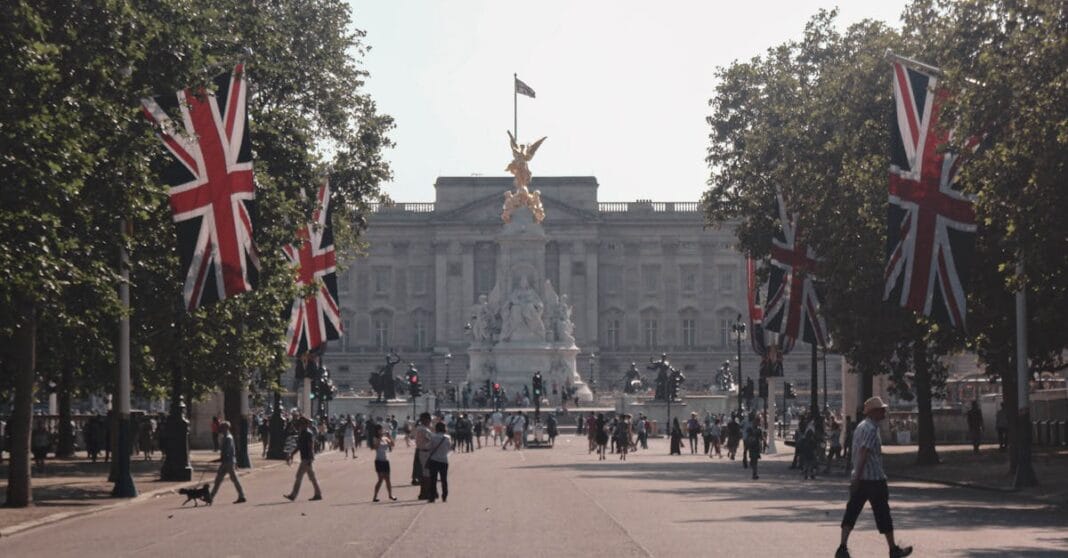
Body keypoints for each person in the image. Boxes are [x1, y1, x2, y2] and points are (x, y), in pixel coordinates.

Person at [836, 397, 912, 558]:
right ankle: (893, 549)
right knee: (883, 514)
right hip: (873, 479)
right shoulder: (871, 429)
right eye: (881, 409)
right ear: (873, 412)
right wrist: (858, 477)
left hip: (861, 477)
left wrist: (856, 476)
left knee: (852, 512)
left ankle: (842, 547)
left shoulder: (861, 427)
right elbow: (864, 452)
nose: (884, 412)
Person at [283, 417, 323, 502]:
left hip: (306, 458)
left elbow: (310, 447)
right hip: (305, 457)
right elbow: (299, 446)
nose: (299, 425)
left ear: (305, 424)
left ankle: (293, 495)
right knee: (312, 477)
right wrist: (292, 454)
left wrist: (310, 458)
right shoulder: (303, 433)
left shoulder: (308, 433)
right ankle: (318, 493)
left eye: (301, 424)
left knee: (299, 476)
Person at [210, 421, 246, 504]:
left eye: (222, 428)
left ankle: (241, 495)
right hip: (227, 462)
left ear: (226, 428)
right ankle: (211, 497)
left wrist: (221, 458)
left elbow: (227, 451)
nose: (221, 429)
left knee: (225, 480)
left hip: (228, 462)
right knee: (220, 480)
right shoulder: (226, 437)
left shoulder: (228, 438)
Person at [426, 422, 451, 503]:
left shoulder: (433, 437)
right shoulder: (447, 437)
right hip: (444, 460)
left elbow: (429, 447)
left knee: (433, 479)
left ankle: (432, 497)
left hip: (434, 460)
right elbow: (449, 448)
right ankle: (444, 496)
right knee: (444, 479)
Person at [370, 424, 397, 502]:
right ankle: (375, 496)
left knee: (388, 479)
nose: (381, 431)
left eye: (382, 430)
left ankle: (390, 495)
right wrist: (379, 438)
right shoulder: (375, 438)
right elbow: (375, 447)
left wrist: (389, 437)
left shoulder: (385, 438)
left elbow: (392, 444)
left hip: (386, 460)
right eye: (380, 430)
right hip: (379, 461)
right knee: (381, 479)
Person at [413, 412, 433, 499]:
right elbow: (432, 440)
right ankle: (426, 493)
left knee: (424, 473)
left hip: (421, 451)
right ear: (426, 420)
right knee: (427, 474)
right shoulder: (424, 430)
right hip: (425, 452)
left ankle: (423, 492)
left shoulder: (419, 428)